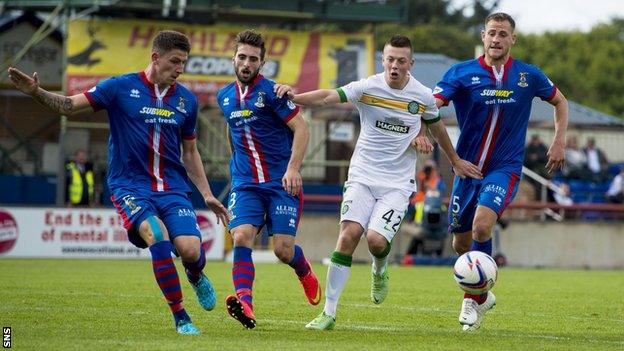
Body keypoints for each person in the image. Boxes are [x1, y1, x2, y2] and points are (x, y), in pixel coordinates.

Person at [8, 30, 230, 335]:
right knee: (157, 236)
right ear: (155, 57)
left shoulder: (186, 101)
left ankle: (195, 274)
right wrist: (37, 92)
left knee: (191, 250)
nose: (180, 69)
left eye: (184, 63)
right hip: (130, 186)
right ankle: (181, 316)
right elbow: (70, 106)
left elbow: (190, 152)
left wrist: (206, 193)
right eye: (175, 61)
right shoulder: (119, 87)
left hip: (172, 188)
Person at [275, 35, 482, 330]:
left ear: (410, 64)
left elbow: (437, 127)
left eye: (401, 61)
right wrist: (296, 97)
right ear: (382, 60)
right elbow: (327, 96)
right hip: (362, 175)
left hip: (397, 183)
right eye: (390, 59)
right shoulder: (367, 87)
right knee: (348, 235)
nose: (394, 66)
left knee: (375, 240)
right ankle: (329, 313)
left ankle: (380, 267)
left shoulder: (422, 96)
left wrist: (455, 160)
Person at [432, 12, 568, 331]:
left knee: (483, 226)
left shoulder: (527, 76)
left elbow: (560, 102)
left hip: (503, 168)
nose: (496, 39)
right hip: (466, 169)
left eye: (503, 34)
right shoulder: (461, 73)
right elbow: (431, 104)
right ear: (483, 36)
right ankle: (484, 292)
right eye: (492, 33)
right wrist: (419, 130)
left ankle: (472, 303)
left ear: (512, 39)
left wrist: (558, 142)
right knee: (461, 245)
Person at [217, 30, 320, 330]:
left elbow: (302, 129)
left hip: (281, 183)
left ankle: (304, 271)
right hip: (246, 184)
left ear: (262, 63)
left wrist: (293, 169)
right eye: (242, 57)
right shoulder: (224, 97)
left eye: (253, 59)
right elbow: (231, 131)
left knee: (282, 250)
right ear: (234, 59)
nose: (246, 63)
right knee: (241, 237)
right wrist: (236, 163)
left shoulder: (273, 93)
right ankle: (245, 303)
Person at [524, 134, 550, 200]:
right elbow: (526, 161)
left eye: (537, 140)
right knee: (538, 181)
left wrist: (537, 157)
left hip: (543, 169)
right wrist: (537, 158)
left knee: (548, 178)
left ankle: (547, 199)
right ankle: (539, 200)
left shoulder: (543, 147)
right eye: (534, 140)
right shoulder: (528, 148)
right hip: (531, 170)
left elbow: (546, 157)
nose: (536, 142)